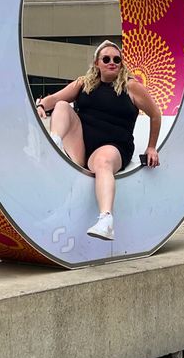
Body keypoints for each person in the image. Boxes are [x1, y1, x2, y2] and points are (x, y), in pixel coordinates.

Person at [34, 40, 163, 242]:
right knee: (61, 105)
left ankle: (106, 220)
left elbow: (155, 114)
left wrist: (151, 147)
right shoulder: (84, 83)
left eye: (116, 59)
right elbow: (55, 99)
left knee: (103, 162)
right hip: (82, 144)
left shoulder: (131, 86)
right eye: (106, 59)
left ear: (121, 63)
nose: (112, 62)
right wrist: (41, 105)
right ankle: (55, 143)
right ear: (97, 63)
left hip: (114, 146)